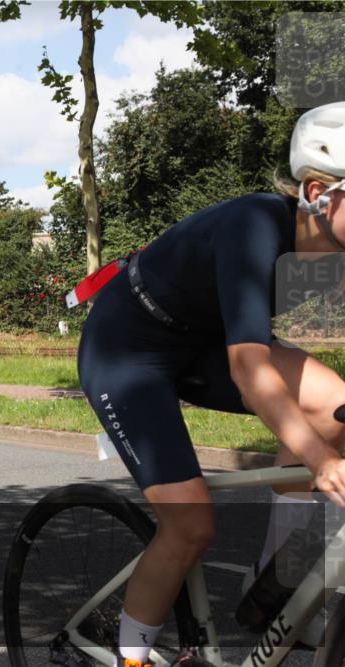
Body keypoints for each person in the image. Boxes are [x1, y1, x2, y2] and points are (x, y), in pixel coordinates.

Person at [77, 102, 345, 667]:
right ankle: (131, 657)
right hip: (127, 350)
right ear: (319, 193)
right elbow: (249, 370)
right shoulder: (256, 227)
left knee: (334, 407)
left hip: (201, 344)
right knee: (190, 525)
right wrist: (321, 461)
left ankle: (276, 582)